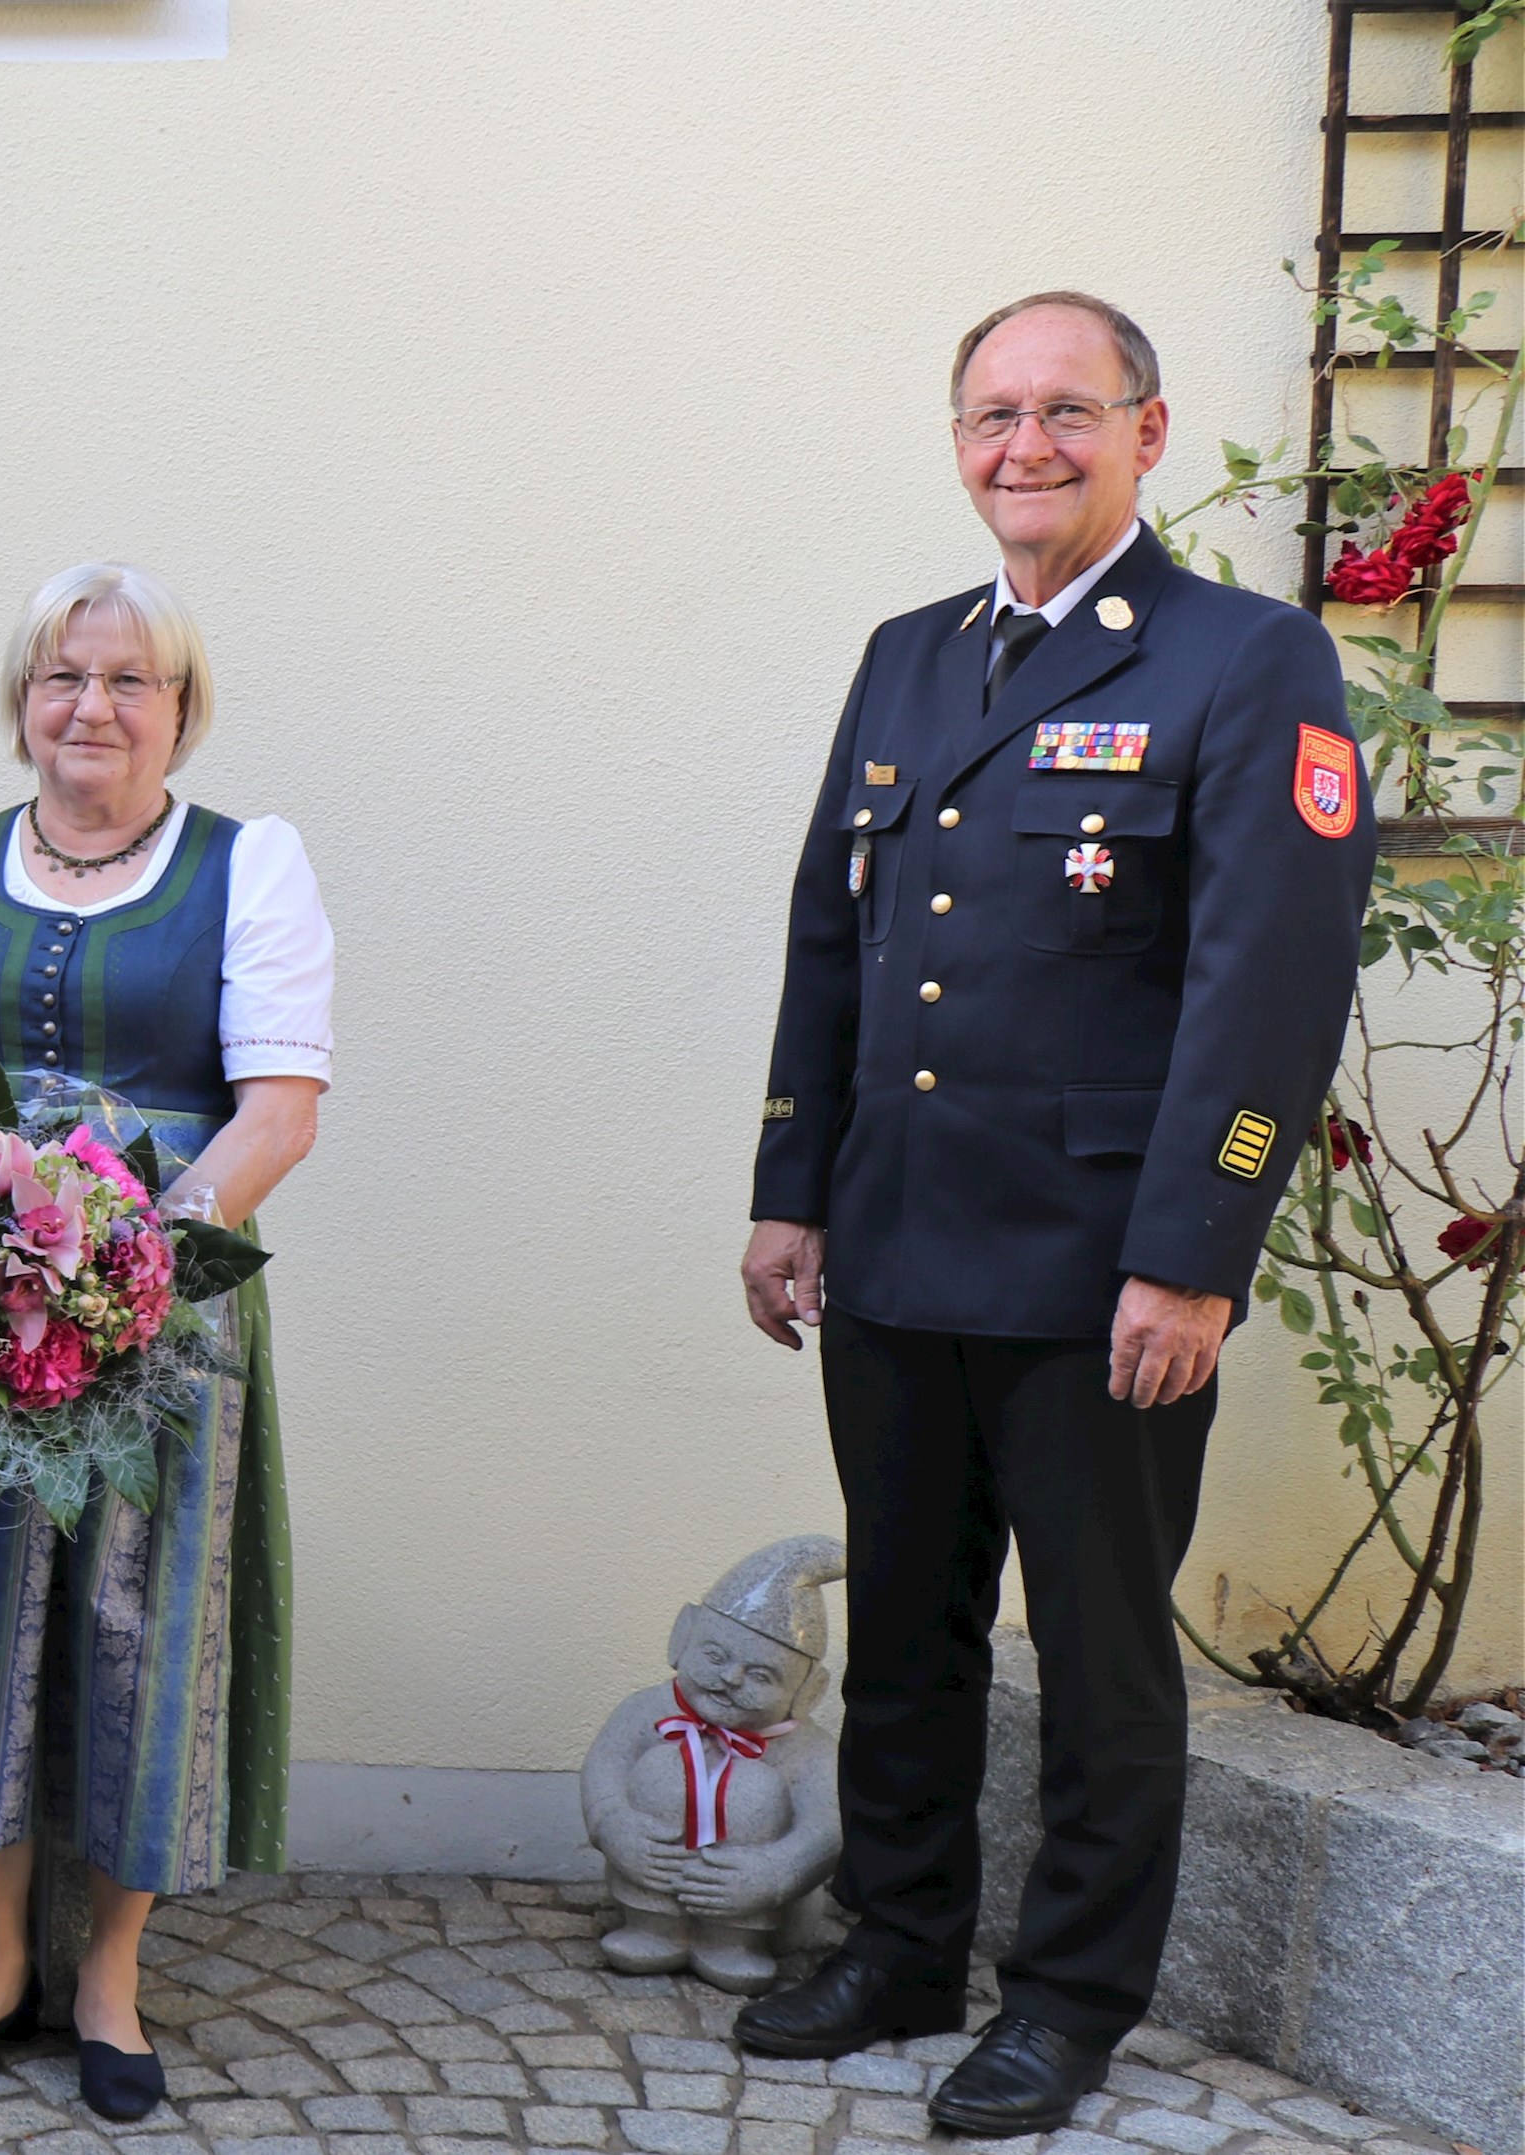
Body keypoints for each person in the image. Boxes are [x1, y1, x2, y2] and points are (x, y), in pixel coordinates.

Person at [737, 292, 1369, 2133]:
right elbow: (830, 940)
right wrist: (792, 1190)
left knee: (1098, 1654)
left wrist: (1196, 1255)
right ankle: (904, 1940)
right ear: (958, 443)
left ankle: (1073, 1995)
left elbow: (1269, 986)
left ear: (1148, 434)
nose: (1028, 445)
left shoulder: (1246, 661)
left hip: (1106, 1267)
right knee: (911, 1629)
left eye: (1068, 412)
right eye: (993, 415)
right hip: (897, 1237)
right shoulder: (908, 656)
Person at [0, 561, 330, 2122]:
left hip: (159, 1315)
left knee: (138, 1629)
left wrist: (125, 1264)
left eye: (130, 681)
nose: (93, 707)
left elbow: (281, 1111)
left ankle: (109, 1975)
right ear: (21, 703)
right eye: (63, 678)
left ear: (180, 708)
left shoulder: (250, 867)